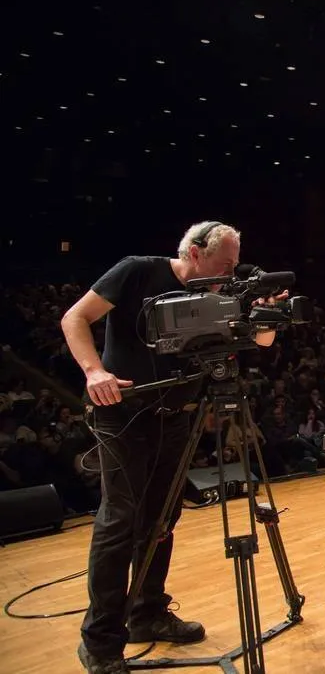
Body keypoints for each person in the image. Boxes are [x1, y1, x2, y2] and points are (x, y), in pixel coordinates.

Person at [60, 221, 281, 674]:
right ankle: (99, 642)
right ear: (197, 252)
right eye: (227, 263)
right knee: (120, 520)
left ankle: (148, 613)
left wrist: (266, 313)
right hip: (123, 414)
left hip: (176, 417)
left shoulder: (219, 290)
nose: (232, 272)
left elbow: (262, 341)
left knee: (162, 517)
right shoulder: (137, 272)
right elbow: (74, 318)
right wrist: (93, 372)